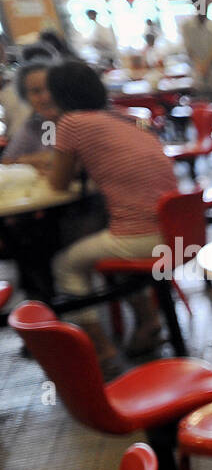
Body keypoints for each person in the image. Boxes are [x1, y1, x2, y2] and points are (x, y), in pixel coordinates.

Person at [34, 62, 178, 369]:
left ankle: (101, 350)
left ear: (60, 94)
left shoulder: (72, 123)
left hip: (143, 236)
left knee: (64, 264)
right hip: (177, 229)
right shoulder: (124, 116)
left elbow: (58, 183)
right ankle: (147, 323)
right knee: (104, 245)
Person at [0, 61, 55, 162]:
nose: (46, 97)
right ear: (26, 98)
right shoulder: (33, 126)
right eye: (36, 91)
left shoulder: (76, 122)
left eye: (51, 88)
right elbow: (6, 161)